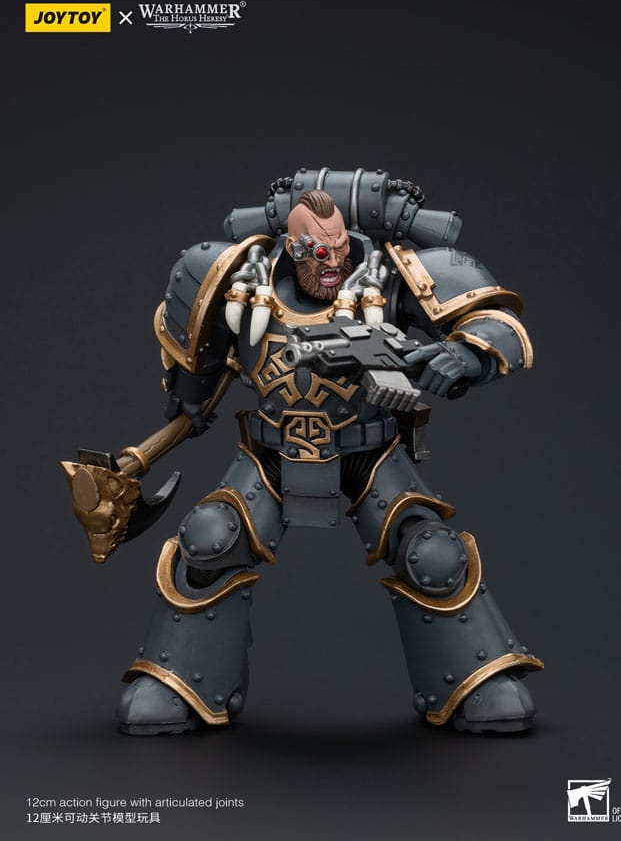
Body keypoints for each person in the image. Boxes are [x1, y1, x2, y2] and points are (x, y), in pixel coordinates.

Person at [64, 170, 542, 735]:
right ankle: (182, 682)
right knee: (209, 539)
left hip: (368, 450)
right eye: (318, 252)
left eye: (340, 249)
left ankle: (476, 678)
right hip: (271, 450)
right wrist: (177, 415)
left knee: (433, 555)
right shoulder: (236, 279)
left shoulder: (389, 275)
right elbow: (199, 375)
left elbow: (497, 321)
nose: (333, 264)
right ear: (291, 247)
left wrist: (465, 355)